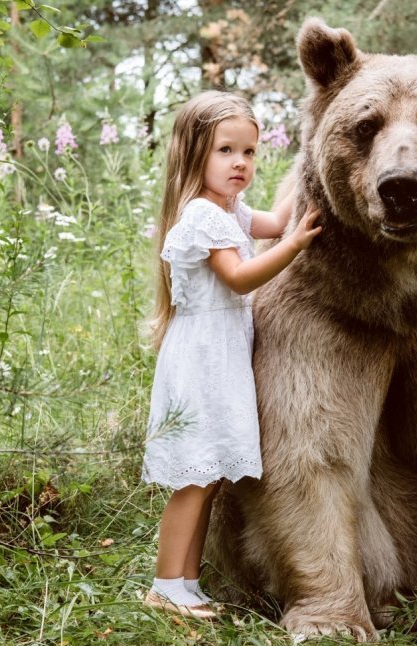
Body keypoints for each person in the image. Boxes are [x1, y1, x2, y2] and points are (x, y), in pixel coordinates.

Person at [140, 90, 321, 619]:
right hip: (201, 363)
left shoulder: (229, 210)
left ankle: (186, 582)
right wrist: (293, 248)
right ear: (195, 152)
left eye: (249, 152)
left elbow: (275, 218)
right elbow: (240, 279)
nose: (240, 163)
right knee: (194, 478)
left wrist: (309, 160)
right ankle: (164, 585)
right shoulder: (201, 214)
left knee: (211, 474)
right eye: (226, 151)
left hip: (219, 360)